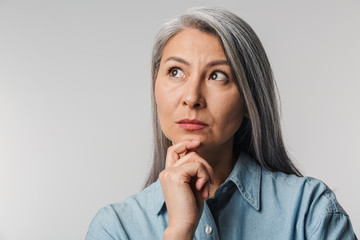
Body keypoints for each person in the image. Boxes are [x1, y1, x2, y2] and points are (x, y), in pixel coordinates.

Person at [85, 7, 357, 240]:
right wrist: (179, 230)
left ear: (251, 99)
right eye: (175, 71)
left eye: (217, 75)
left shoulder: (310, 211)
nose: (192, 98)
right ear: (155, 88)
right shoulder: (115, 229)